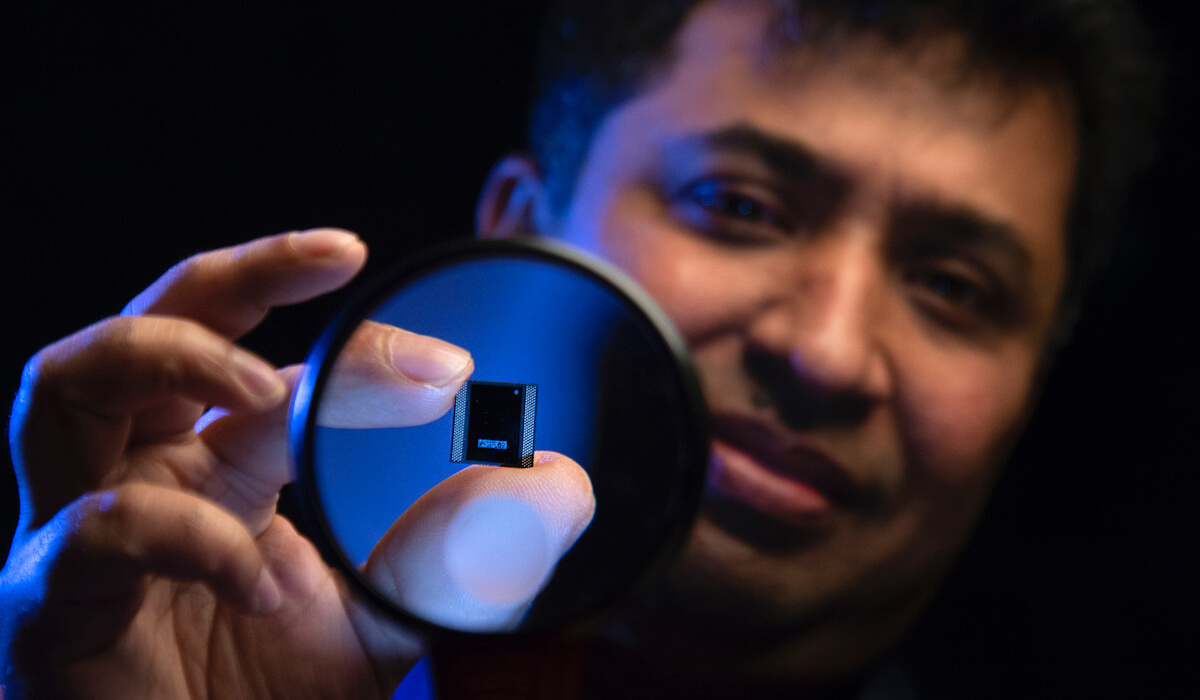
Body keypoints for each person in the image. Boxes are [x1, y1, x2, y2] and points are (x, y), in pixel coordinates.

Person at [0, 0, 1159, 697]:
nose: (830, 350)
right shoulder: (173, 640)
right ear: (518, 230)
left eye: (956, 286)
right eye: (740, 206)